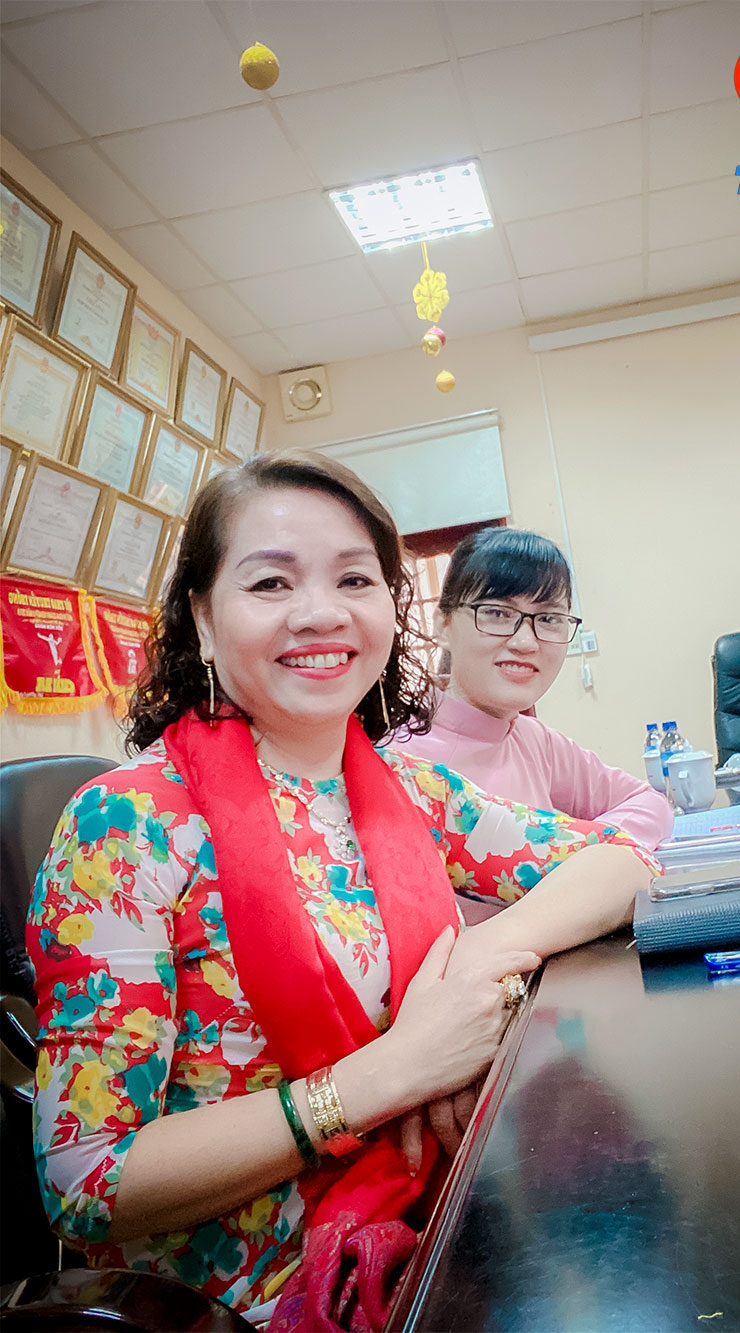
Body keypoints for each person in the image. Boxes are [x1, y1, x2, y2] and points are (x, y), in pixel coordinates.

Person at [28, 452, 657, 1331]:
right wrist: (390, 1073)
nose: (322, 611)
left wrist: (468, 968)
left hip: (440, 1226)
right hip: (259, 1300)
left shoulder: (411, 790)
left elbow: (625, 862)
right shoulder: (127, 824)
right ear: (203, 619)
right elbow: (88, 1182)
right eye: (271, 582)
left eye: (354, 579)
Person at [390, 527, 672, 850]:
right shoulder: (399, 756)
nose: (525, 642)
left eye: (549, 619)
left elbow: (649, 804)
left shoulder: (535, 741)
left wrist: (576, 851)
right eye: (497, 613)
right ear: (443, 625)